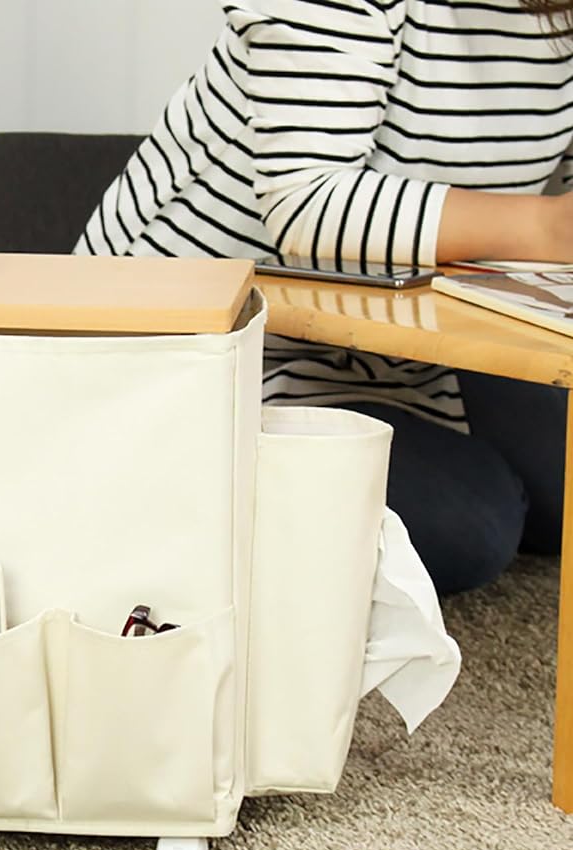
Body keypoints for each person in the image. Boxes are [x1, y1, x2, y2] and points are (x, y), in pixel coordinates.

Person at [75, 0, 573, 594]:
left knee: (549, 491)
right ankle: (147, 484)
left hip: (400, 335)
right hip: (208, 341)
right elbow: (307, 203)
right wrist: (549, 229)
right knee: (473, 525)